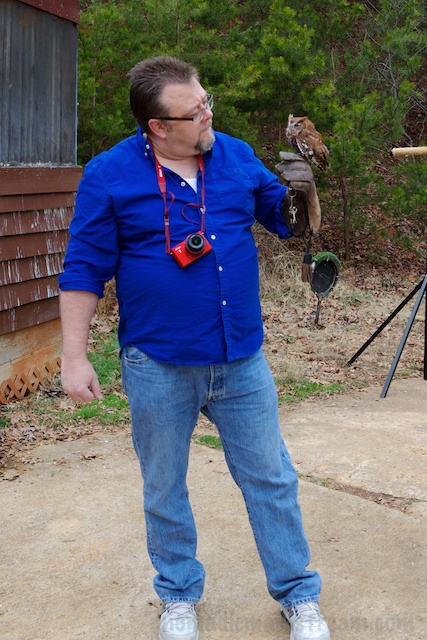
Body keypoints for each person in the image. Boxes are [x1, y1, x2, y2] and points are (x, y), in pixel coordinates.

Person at [59, 55, 331, 640]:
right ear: (158, 125)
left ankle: (297, 594)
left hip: (241, 359)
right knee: (164, 485)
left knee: (272, 479)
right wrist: (74, 356)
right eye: (196, 109)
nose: (210, 113)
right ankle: (178, 595)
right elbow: (83, 269)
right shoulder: (109, 175)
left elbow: (275, 213)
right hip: (157, 363)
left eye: (207, 99)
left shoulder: (230, 153)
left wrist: (295, 198)